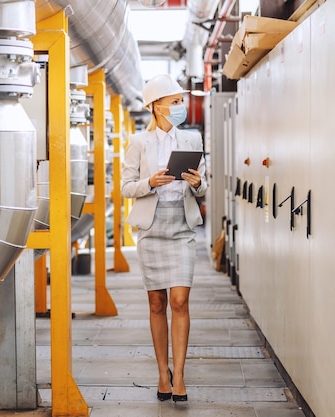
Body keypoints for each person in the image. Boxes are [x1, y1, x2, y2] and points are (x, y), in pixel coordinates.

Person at [121, 74, 208, 403]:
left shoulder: (191, 139)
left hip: (182, 228)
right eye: (173, 102)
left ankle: (180, 375)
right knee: (157, 303)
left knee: (180, 302)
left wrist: (198, 183)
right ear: (156, 107)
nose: (180, 107)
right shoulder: (138, 142)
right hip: (152, 228)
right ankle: (162, 373)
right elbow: (126, 187)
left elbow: (204, 187)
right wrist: (150, 183)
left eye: (180, 101)